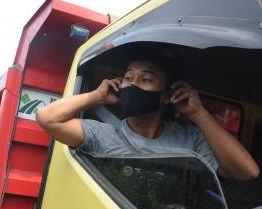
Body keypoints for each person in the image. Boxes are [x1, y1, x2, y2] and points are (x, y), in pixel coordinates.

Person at [36, 42, 259, 182]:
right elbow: (47, 117)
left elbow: (247, 172)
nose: (133, 85)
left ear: (167, 94)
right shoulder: (103, 135)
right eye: (128, 78)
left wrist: (199, 113)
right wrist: (97, 97)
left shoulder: (190, 140)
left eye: (146, 79)